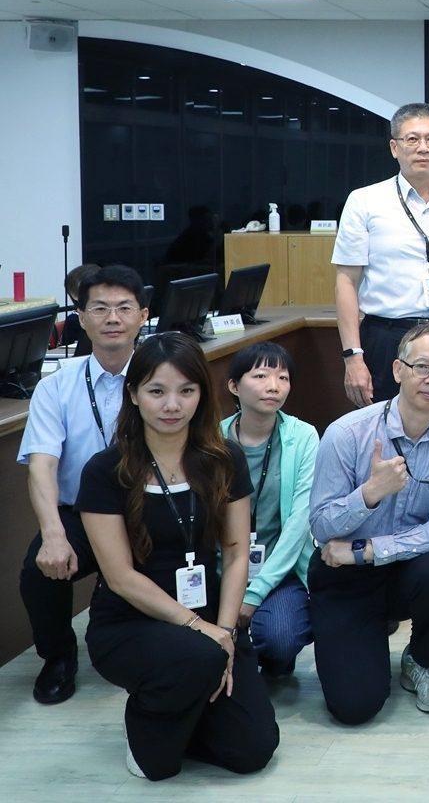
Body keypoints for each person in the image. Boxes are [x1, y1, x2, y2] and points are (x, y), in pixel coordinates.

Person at [76, 332, 277, 780]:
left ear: (201, 395)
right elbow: (120, 576)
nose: (172, 405)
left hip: (211, 617)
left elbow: (236, 551)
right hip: (132, 622)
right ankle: (150, 715)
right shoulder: (105, 471)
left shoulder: (224, 459)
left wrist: (226, 632)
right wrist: (200, 630)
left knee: (252, 750)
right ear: (134, 394)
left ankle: (185, 702)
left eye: (186, 391)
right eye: (157, 391)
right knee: (160, 766)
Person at [308, 321, 429, 724]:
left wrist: (366, 551)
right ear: (398, 370)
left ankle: (422, 656)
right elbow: (321, 527)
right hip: (343, 575)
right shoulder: (347, 433)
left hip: (396, 567)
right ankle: (365, 638)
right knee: (354, 708)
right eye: (422, 367)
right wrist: (370, 494)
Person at [18, 265, 148, 704]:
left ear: (143, 316)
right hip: (82, 512)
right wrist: (53, 533)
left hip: (149, 507)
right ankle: (58, 657)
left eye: (124, 308)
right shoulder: (56, 386)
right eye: (100, 308)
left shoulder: (161, 376)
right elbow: (41, 464)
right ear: (82, 318)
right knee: (39, 570)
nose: (112, 318)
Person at [333, 101, 429, 420]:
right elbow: (346, 282)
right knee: (383, 432)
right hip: (386, 338)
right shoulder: (364, 201)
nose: (423, 147)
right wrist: (352, 357)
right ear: (394, 147)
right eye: (412, 139)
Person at [220, 341, 320, 678]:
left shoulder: (303, 436)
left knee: (280, 639)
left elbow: (299, 524)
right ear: (234, 386)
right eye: (260, 376)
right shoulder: (212, 440)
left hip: (280, 569)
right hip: (220, 568)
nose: (274, 386)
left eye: (283, 378)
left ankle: (269, 659)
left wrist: (254, 593)